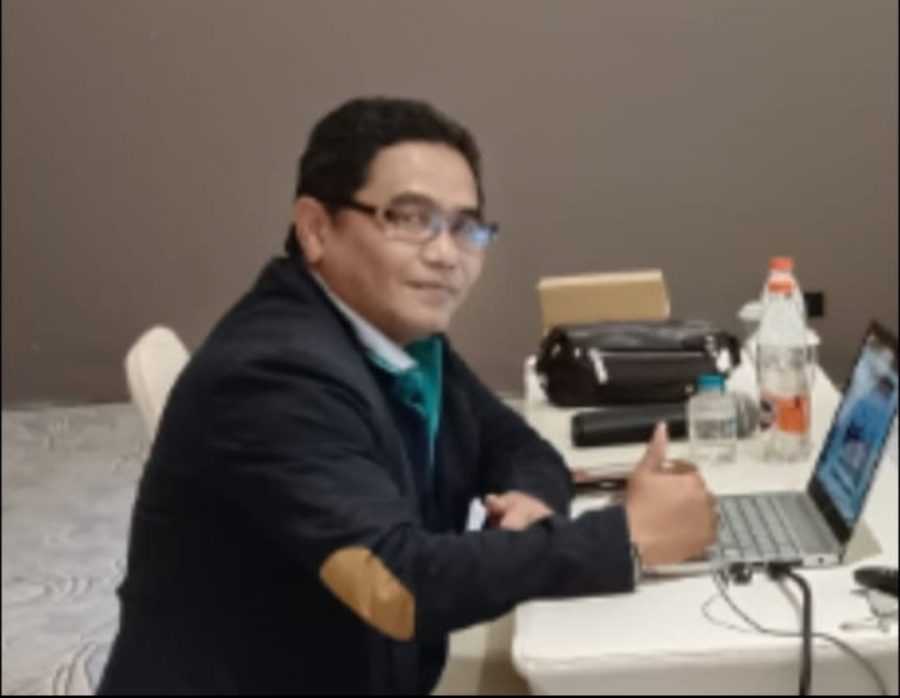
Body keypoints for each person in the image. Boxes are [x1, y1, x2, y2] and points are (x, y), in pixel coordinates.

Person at [98, 96, 717, 695]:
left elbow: (513, 442)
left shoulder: (395, 337)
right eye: (411, 219)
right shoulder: (274, 376)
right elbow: (396, 586)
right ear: (316, 228)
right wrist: (626, 537)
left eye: (466, 227)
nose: (447, 254)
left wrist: (531, 500)